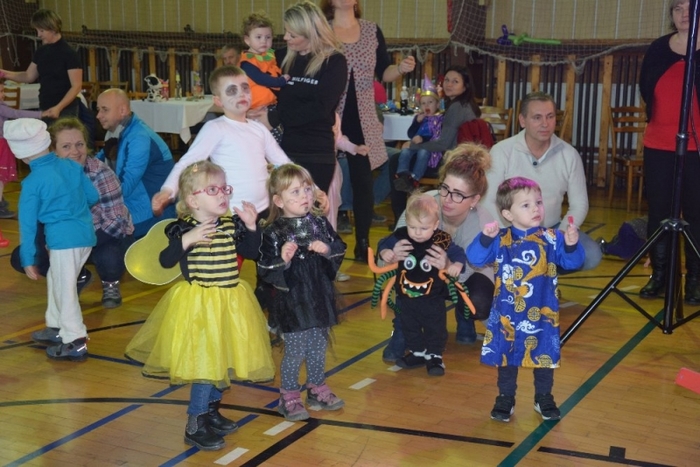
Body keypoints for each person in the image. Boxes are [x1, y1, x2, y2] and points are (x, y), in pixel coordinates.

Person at [125, 161, 275, 451]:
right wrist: (186, 240)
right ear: (193, 201)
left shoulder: (230, 224)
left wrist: (251, 226)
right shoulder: (183, 229)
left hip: (230, 303)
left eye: (225, 189)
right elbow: (166, 260)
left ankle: (211, 411)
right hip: (200, 307)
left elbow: (251, 252)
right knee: (206, 364)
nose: (223, 195)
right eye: (213, 190)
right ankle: (195, 423)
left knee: (222, 358)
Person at [466, 177, 584, 422]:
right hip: (507, 315)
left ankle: (544, 396)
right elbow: (475, 258)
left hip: (542, 313)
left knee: (544, 355)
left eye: (538, 202)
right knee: (506, 357)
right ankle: (505, 397)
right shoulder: (500, 239)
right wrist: (485, 238)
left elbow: (573, 262)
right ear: (508, 214)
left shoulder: (552, 238)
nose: (536, 209)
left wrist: (571, 245)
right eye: (526, 205)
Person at [380, 142, 496, 362]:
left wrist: (448, 266)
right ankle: (402, 328)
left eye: (458, 195)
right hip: (420, 276)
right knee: (407, 275)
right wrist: (390, 254)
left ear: (475, 199)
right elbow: (388, 253)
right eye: (445, 189)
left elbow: (476, 268)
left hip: (466, 275)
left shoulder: (483, 224)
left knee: (479, 301)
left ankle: (464, 316)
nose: (448, 199)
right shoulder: (421, 206)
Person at [321, 0, 416, 262]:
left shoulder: (372, 30)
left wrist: (400, 68)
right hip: (329, 115)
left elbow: (384, 72)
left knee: (363, 183)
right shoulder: (321, 29)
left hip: (362, 118)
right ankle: (322, 241)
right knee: (324, 180)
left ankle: (362, 243)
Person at [9, 118, 134, 308]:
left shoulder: (101, 173)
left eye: (79, 144)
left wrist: (75, 241)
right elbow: (36, 221)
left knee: (109, 257)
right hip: (69, 238)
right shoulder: (46, 176)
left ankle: (110, 283)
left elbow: (115, 223)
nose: (75, 151)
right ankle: (77, 276)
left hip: (104, 236)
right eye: (66, 146)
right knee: (22, 256)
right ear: (52, 150)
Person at [257, 163, 346, 422]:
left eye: (307, 189)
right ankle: (289, 396)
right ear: (278, 200)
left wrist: (326, 249)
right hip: (293, 299)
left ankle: (316, 387)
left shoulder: (318, 222)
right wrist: (283, 260)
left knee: (318, 344)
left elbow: (338, 247)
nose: (304, 196)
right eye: (295, 192)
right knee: (295, 349)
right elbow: (265, 267)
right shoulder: (273, 231)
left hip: (318, 294)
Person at [5, 118, 97, 361]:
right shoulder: (71, 167)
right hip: (85, 236)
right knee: (57, 280)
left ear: (22, 156)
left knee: (65, 290)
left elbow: (27, 226)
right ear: (47, 143)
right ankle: (56, 325)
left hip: (63, 241)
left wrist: (28, 258)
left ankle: (75, 340)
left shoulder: (32, 183)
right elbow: (92, 196)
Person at [152, 65, 290, 220]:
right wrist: (167, 191)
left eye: (245, 88)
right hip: (233, 213)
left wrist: (308, 186)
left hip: (264, 210)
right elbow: (188, 162)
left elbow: (283, 163)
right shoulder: (215, 128)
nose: (241, 94)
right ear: (218, 100)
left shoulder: (259, 128)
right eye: (232, 91)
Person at [484, 91, 602, 272]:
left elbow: (579, 204)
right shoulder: (501, 151)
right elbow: (488, 201)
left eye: (550, 116)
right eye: (537, 117)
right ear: (522, 120)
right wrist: (508, 235)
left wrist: (561, 235)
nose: (545, 124)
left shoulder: (569, 155)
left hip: (551, 229)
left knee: (591, 254)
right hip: (510, 230)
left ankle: (544, 277)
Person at [638, 0, 700, 303]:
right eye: (677, 8)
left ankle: (695, 281)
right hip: (659, 144)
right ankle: (661, 275)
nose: (684, 13)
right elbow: (646, 88)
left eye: (690, 7)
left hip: (696, 147)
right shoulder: (658, 48)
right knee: (659, 214)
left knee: (696, 214)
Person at [377, 193, 466, 376]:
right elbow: (384, 243)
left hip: (432, 298)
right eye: (412, 227)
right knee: (409, 326)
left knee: (435, 327)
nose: (417, 233)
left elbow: (458, 253)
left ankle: (435, 356)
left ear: (435, 225)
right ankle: (417, 352)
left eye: (424, 228)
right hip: (405, 297)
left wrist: (456, 265)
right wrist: (385, 252)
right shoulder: (402, 235)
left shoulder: (441, 239)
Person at [272, 1, 348, 195]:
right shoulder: (280, 57)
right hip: (281, 150)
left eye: (292, 35)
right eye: (286, 32)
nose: (285, 37)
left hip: (316, 153)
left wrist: (275, 117)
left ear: (310, 34)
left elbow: (320, 109)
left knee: (310, 209)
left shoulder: (334, 61)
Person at [388, 65, 481, 223]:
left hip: (451, 162)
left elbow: (443, 144)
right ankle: (409, 192)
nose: (449, 84)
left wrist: (413, 146)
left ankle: (401, 216)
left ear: (465, 86)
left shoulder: (457, 108)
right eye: (447, 80)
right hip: (462, 159)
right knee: (402, 159)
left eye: (455, 81)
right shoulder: (466, 104)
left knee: (396, 161)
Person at [95, 88, 176, 238]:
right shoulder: (117, 132)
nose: (98, 115)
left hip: (151, 216)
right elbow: (96, 163)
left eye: (104, 110)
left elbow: (124, 187)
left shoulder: (139, 137)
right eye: (98, 109)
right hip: (136, 209)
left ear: (122, 110)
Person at [0, 9, 82, 124]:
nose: (38, 35)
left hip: (66, 110)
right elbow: (28, 76)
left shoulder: (69, 53)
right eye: (37, 30)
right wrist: (4, 73)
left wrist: (59, 107)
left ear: (53, 28)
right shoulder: (41, 51)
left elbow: (76, 86)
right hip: (45, 106)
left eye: (42, 30)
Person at [0, 78, 44, 218]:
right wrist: (41, 114)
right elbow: (16, 114)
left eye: (3, 91)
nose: (3, 94)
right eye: (0, 91)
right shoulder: (1, 107)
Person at [393, 82, 445, 192]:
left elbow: (437, 135)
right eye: (423, 103)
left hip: (429, 148)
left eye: (430, 102)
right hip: (415, 145)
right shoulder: (419, 117)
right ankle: (402, 174)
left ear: (437, 104)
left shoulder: (439, 118)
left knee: (423, 153)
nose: (426, 106)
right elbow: (410, 134)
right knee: (405, 151)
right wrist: (417, 122)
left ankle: (415, 178)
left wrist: (423, 139)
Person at [239, 12, 290, 111]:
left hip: (272, 103)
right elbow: (261, 78)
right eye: (258, 37)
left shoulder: (270, 54)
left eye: (268, 37)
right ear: (247, 40)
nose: (264, 41)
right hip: (256, 107)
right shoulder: (246, 62)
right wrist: (281, 81)